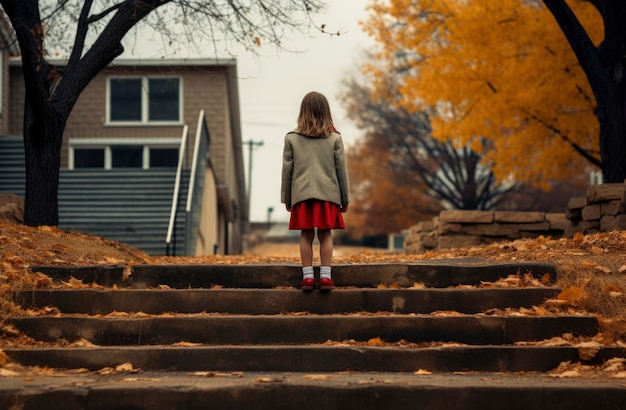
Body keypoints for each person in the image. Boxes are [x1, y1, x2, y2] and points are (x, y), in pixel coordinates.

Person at [281, 91, 350, 292]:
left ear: (303, 112)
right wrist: (345, 198)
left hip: (301, 195)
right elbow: (341, 172)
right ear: (326, 111)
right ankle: (327, 277)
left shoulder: (292, 138)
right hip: (328, 194)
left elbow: (287, 171)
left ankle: (308, 277)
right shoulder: (334, 138)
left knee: (306, 235)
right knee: (326, 234)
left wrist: (287, 197)